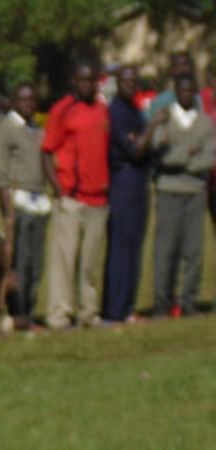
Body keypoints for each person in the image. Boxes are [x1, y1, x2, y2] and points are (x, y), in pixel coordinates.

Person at [41, 60, 110, 330]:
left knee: (90, 264)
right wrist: (58, 189)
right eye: (82, 80)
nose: (87, 85)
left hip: (99, 200)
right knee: (64, 262)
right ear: (73, 81)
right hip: (71, 197)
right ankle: (58, 316)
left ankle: (88, 314)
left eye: (91, 80)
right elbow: (46, 150)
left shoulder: (103, 110)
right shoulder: (63, 110)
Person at [150, 73, 215, 318]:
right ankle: (161, 303)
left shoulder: (205, 123)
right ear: (176, 92)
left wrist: (179, 157)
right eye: (182, 90)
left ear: (195, 92)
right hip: (169, 191)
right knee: (166, 250)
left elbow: (208, 159)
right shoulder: (165, 119)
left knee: (193, 250)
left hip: (195, 192)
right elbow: (162, 157)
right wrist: (188, 152)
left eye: (190, 90)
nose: (186, 94)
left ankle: (188, 302)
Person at [0, 82, 51, 327]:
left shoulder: (35, 128)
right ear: (14, 101)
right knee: (21, 260)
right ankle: (19, 310)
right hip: (18, 200)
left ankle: (30, 308)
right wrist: (7, 209)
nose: (30, 104)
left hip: (39, 200)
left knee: (37, 260)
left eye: (33, 99)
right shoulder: (6, 129)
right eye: (24, 99)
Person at [103, 65, 162, 324]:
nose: (130, 85)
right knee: (121, 245)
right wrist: (153, 126)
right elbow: (135, 150)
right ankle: (114, 308)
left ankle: (127, 305)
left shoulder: (135, 110)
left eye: (134, 80)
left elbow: (145, 148)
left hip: (139, 180)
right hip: (123, 179)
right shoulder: (115, 111)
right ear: (117, 83)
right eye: (125, 81)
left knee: (135, 245)